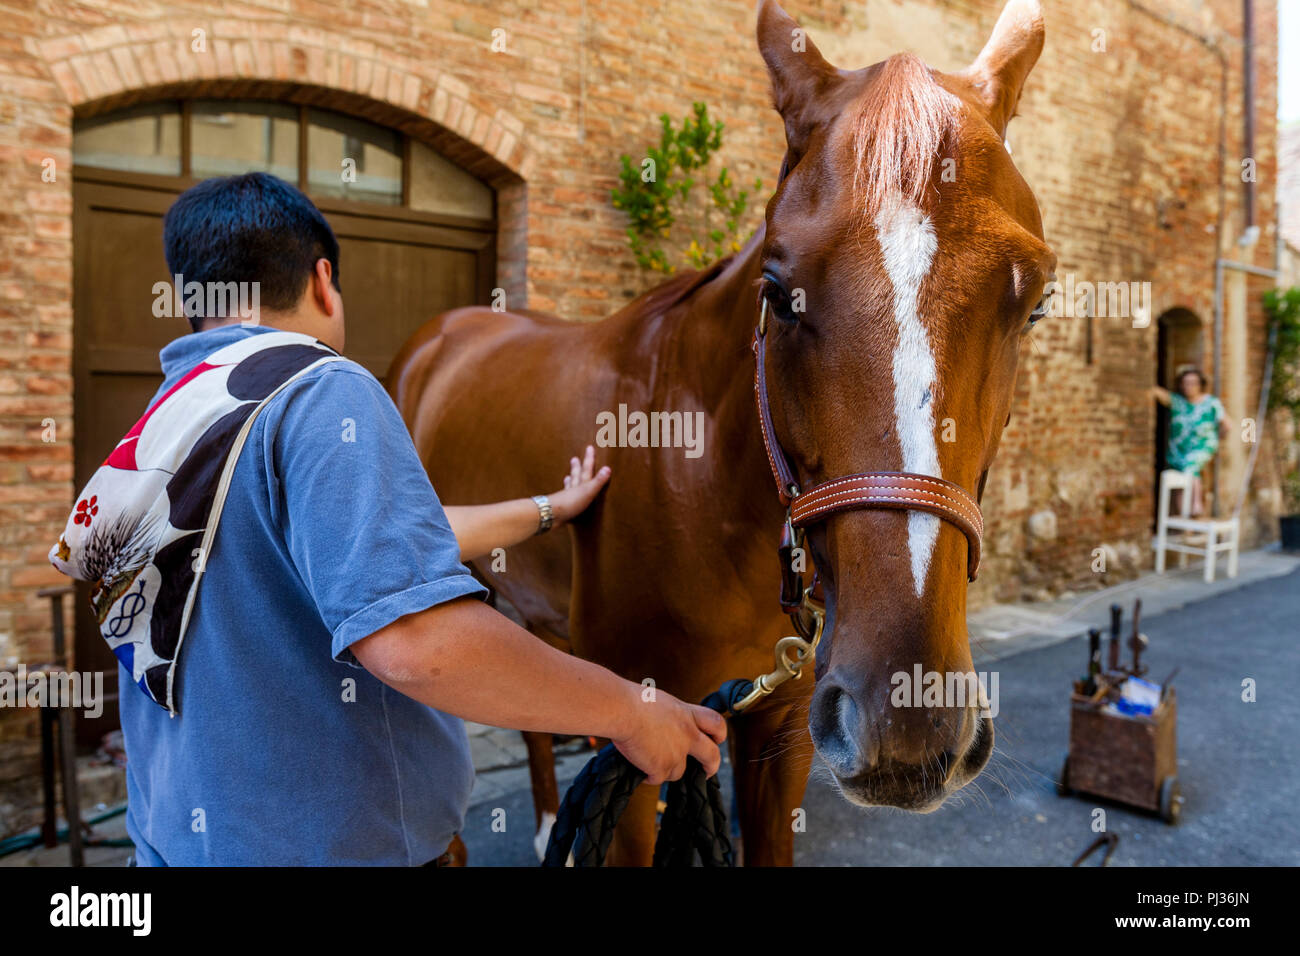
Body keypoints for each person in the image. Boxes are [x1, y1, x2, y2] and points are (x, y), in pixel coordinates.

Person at [50, 172, 724, 866]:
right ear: (322, 280)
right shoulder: (318, 387)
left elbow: (367, 549)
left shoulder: (169, 424)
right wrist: (629, 709)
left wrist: (549, 509)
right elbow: (415, 640)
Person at [1151, 367, 1232, 517]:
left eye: (1193, 383)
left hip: (1201, 447)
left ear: (1200, 384)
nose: (1189, 387)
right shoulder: (1177, 401)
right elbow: (1156, 392)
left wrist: (1215, 438)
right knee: (1180, 484)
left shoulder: (1210, 402)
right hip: (1178, 449)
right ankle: (1184, 521)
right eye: (1186, 383)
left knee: (1190, 467)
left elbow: (1227, 424)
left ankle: (1196, 505)